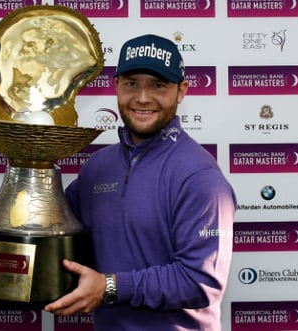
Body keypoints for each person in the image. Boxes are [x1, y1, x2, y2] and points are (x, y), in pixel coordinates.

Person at [44, 34, 236, 330]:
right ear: (116, 85)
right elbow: (53, 229)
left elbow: (200, 282)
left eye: (158, 85)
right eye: (132, 83)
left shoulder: (200, 176)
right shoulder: (98, 166)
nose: (143, 98)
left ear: (181, 91)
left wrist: (109, 286)